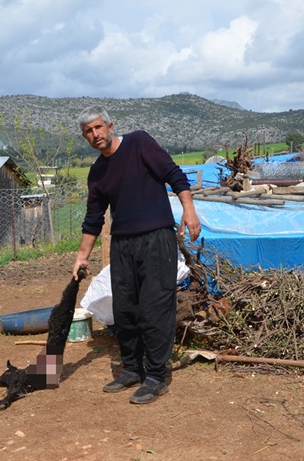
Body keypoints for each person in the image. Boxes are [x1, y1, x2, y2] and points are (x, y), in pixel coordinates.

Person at [71, 105, 201, 404]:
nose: (95, 134)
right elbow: (93, 218)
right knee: (126, 309)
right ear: (85, 136)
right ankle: (132, 368)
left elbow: (174, 176)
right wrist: (81, 257)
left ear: (110, 125)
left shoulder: (140, 143)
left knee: (154, 308)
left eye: (98, 127)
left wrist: (189, 211)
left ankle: (156, 375)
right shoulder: (97, 172)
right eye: (89, 131)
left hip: (156, 238)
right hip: (123, 245)